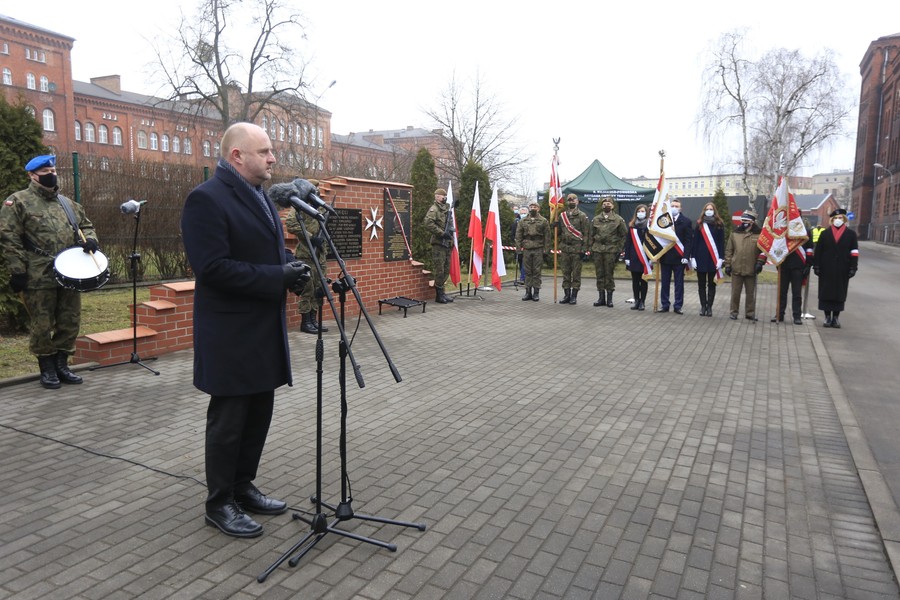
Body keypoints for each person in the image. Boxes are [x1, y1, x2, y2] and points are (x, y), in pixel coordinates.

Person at [181, 122, 310, 538]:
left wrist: (290, 268)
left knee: (258, 414)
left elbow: (261, 250)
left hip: (262, 329)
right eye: (265, 151)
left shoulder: (260, 197)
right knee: (230, 419)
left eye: (271, 151)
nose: (273, 158)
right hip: (230, 334)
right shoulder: (206, 199)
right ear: (237, 155)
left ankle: (242, 486)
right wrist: (277, 276)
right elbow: (213, 268)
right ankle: (219, 502)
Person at [0, 154, 99, 389]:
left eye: (53, 170)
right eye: (45, 172)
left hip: (70, 271)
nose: (51, 175)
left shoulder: (67, 203)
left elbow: (86, 225)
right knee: (42, 324)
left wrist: (92, 240)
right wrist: (17, 270)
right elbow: (8, 237)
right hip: (37, 274)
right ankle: (47, 368)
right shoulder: (18, 202)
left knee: (69, 320)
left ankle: (62, 365)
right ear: (32, 175)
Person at [285, 179, 329, 334]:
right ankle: (305, 323)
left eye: (318, 189)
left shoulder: (320, 207)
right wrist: (311, 237)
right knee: (308, 289)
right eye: (314, 189)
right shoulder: (300, 207)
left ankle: (314, 321)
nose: (317, 192)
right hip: (306, 255)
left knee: (318, 289)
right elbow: (291, 224)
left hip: (320, 256)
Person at [813, 208, 859, 329]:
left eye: (840, 218)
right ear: (832, 220)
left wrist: (853, 267)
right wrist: (816, 266)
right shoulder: (825, 234)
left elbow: (854, 252)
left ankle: (836, 318)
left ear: (844, 220)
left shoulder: (851, 234)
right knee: (825, 293)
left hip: (842, 269)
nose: (838, 220)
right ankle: (827, 317)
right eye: (836, 218)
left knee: (839, 293)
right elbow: (818, 251)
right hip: (826, 269)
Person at [723, 209, 765, 322]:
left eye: (747, 220)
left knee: (750, 293)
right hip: (736, 267)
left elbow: (763, 250)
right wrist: (727, 264)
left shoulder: (759, 234)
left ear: (752, 221)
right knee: (735, 293)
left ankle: (750, 313)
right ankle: (733, 312)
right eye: (743, 220)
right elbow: (729, 250)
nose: (744, 222)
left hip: (751, 268)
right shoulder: (735, 233)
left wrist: (760, 262)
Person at [586, 196, 627, 308]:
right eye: (604, 203)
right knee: (599, 274)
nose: (607, 205)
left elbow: (623, 235)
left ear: (613, 206)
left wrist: (619, 248)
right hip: (598, 250)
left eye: (609, 203)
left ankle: (609, 299)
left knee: (609, 274)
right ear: (601, 206)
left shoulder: (618, 219)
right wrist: (590, 248)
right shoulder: (596, 219)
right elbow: (591, 235)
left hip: (611, 250)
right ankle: (601, 298)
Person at [771, 225, 814, 325]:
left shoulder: (804, 230)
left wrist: (808, 264)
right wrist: (777, 261)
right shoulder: (782, 230)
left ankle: (797, 316)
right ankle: (779, 314)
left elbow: (809, 248)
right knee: (781, 293)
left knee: (797, 294)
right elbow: (776, 245)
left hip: (798, 266)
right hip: (784, 265)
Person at [657, 198, 693, 314]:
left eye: (677, 206)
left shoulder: (686, 221)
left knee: (679, 284)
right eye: (672, 206)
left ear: (680, 208)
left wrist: (686, 256)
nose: (674, 208)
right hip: (666, 257)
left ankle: (678, 306)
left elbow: (688, 241)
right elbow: (659, 238)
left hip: (679, 258)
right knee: (665, 283)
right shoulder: (664, 220)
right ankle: (665, 305)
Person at [690, 202, 726, 317]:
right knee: (701, 284)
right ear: (704, 210)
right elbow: (694, 242)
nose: (709, 211)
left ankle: (709, 307)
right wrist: (693, 257)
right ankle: (703, 306)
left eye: (711, 209)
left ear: (714, 211)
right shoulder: (699, 224)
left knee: (711, 284)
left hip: (713, 259)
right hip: (700, 258)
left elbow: (721, 243)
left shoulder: (719, 224)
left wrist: (721, 258)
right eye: (707, 209)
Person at [555, 194, 590, 305]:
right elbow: (559, 233)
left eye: (573, 200)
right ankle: (566, 295)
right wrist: (555, 226)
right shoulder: (562, 216)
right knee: (565, 273)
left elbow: (586, 234)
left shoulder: (582, 216)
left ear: (577, 202)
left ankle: (574, 296)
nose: (571, 202)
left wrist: (584, 249)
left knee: (576, 274)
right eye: (569, 200)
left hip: (577, 248)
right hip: (565, 248)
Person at [514, 199, 551, 301]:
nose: (533, 208)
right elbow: (518, 236)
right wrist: (518, 250)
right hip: (527, 249)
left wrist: (546, 250)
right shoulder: (523, 221)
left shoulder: (543, 221)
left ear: (538, 209)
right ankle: (528, 292)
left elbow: (547, 237)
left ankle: (536, 293)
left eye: (535, 207)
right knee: (527, 271)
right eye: (531, 207)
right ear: (528, 209)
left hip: (538, 248)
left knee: (537, 272)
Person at [423, 188, 454, 304]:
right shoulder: (434, 209)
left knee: (446, 269)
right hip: (439, 243)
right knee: (439, 269)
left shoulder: (445, 209)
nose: (444, 198)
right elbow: (428, 223)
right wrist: (441, 233)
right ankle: (438, 295)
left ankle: (443, 292)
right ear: (437, 197)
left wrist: (450, 238)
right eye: (442, 196)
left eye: (445, 196)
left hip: (447, 244)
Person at [623, 204, 653, 311]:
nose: (641, 213)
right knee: (635, 281)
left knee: (644, 281)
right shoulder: (632, 226)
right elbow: (628, 243)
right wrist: (627, 257)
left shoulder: (650, 226)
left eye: (643, 211)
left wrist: (652, 259)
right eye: (639, 211)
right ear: (636, 213)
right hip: (634, 257)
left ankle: (642, 302)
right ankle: (636, 300)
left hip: (645, 257)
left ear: (646, 213)